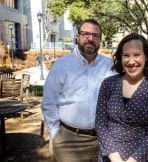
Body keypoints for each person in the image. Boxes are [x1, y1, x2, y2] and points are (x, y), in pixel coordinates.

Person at [42, 19, 115, 162]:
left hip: (104, 140)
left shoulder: (110, 66)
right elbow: (49, 102)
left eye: (95, 35)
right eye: (86, 34)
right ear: (77, 36)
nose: (90, 39)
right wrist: (55, 134)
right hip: (69, 141)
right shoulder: (62, 65)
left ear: (100, 39)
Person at [95, 33, 148, 162]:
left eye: (137, 55)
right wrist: (114, 156)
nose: (131, 61)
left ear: (146, 56)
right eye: (126, 55)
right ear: (120, 57)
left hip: (145, 157)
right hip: (110, 156)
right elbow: (100, 124)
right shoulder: (108, 84)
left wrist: (133, 160)